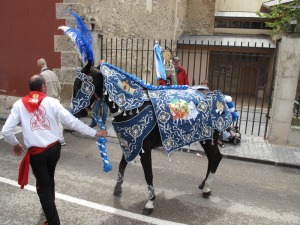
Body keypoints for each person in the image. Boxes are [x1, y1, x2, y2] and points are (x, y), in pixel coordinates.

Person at [1, 74, 107, 225]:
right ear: (43, 87)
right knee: (49, 179)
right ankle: (49, 207)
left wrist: (15, 144)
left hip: (37, 153)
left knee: (43, 187)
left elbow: (6, 131)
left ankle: (53, 220)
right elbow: (72, 121)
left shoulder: (19, 105)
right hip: (53, 150)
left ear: (30, 88)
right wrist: (95, 132)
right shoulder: (52, 102)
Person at [37, 58, 66, 146]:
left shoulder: (41, 76)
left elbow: (41, 90)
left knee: (46, 119)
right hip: (56, 99)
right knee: (57, 119)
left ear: (39, 65)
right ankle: (61, 138)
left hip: (47, 100)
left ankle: (48, 138)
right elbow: (59, 88)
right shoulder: (53, 73)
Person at [90, 59, 108, 128]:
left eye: (103, 64)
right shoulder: (96, 71)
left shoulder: (107, 71)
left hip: (106, 95)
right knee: (95, 110)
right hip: (98, 95)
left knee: (105, 110)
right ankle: (93, 122)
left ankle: (103, 123)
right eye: (101, 64)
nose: (102, 66)